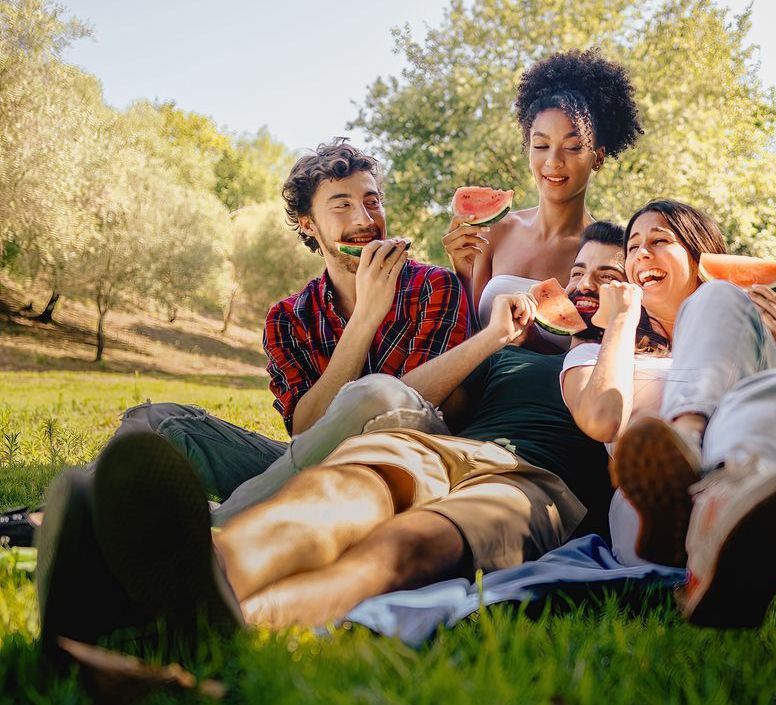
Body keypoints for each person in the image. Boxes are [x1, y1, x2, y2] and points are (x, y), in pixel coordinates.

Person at [36, 226, 628, 652]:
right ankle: (198, 568)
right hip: (443, 448)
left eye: (607, 276)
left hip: (532, 483)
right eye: (576, 272)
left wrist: (622, 327)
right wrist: (495, 337)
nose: (583, 285)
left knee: (403, 550)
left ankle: (196, 619)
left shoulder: (642, 362)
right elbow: (412, 397)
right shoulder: (513, 353)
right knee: (331, 499)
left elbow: (620, 427)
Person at [0, 140, 473, 546]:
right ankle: (60, 515)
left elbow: (420, 413)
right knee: (158, 421)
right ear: (308, 225)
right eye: (342, 205)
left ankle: (215, 530)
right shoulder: (288, 319)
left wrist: (371, 311)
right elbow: (306, 429)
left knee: (369, 399)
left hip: (396, 474)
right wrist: (364, 319)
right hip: (306, 466)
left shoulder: (434, 288)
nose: (364, 218)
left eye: (372, 201)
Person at [560, 200, 776, 628]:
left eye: (659, 241)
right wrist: (621, 321)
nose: (641, 254)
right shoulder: (595, 352)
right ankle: (699, 501)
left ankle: (703, 465)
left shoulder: (747, 324)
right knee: (723, 310)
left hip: (766, 497)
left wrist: (772, 352)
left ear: (700, 256)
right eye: (633, 247)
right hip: (650, 525)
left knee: (719, 302)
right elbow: (602, 421)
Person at [442, 49, 643, 350]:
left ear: (598, 157)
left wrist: (532, 340)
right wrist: (461, 269)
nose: (553, 161)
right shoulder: (496, 231)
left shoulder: (607, 254)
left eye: (573, 147)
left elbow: (610, 352)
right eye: (541, 145)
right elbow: (464, 333)